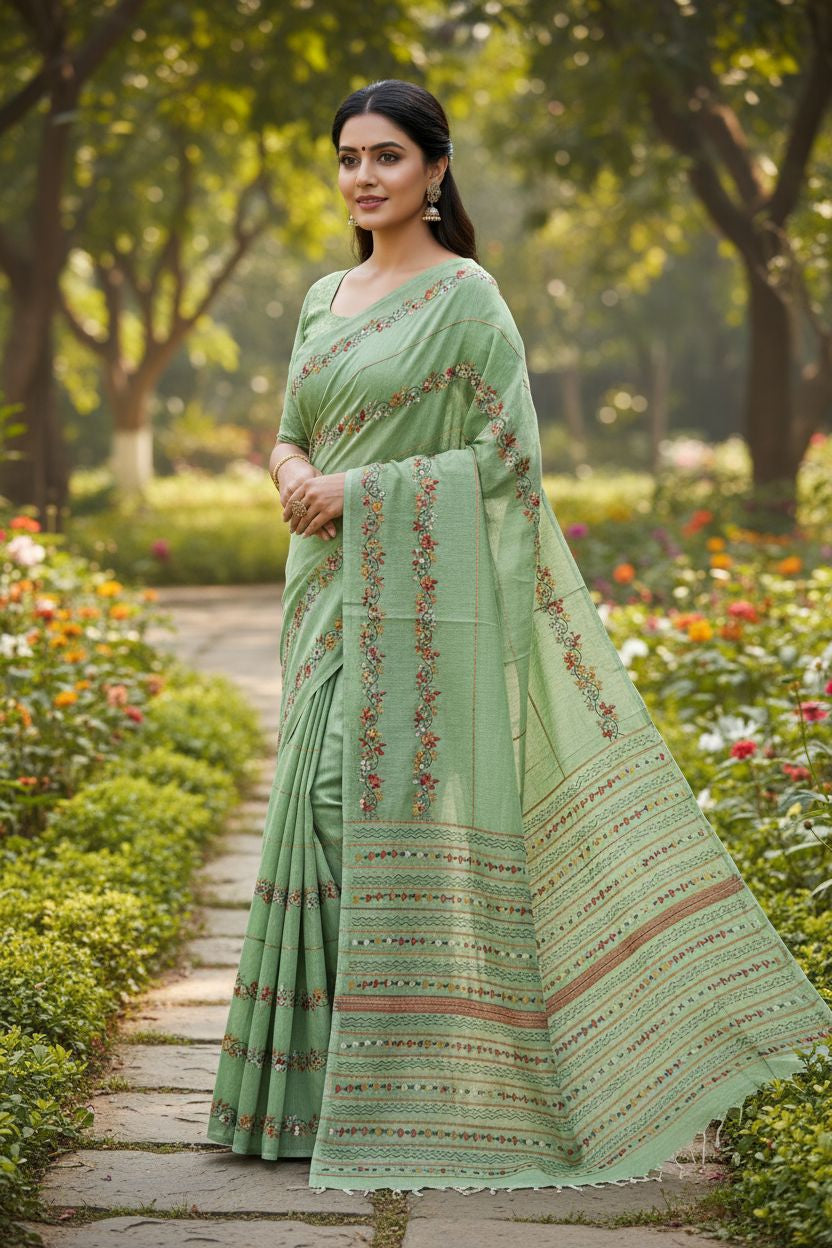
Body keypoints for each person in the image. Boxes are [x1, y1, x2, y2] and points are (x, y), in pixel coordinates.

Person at [206, 78, 832, 1196]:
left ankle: (427, 1080)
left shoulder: (468, 298)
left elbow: (505, 464)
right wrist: (295, 471)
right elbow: (292, 429)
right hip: (324, 600)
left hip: (414, 606)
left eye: (387, 156)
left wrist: (358, 490)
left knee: (358, 803)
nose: (363, 175)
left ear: (436, 171)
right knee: (311, 808)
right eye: (348, 156)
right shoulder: (320, 296)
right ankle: (312, 1098)